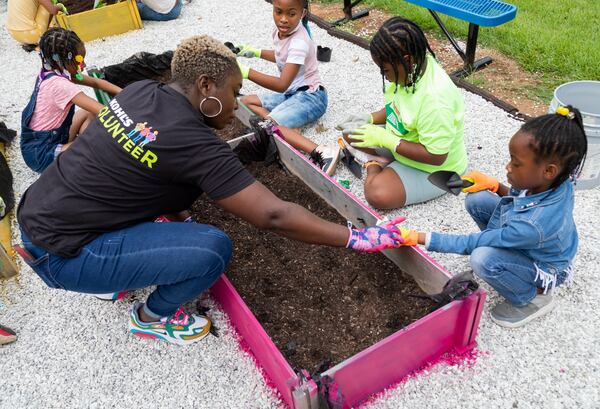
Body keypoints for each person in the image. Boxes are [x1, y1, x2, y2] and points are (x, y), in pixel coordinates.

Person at [16, 35, 406, 346]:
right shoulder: (192, 142)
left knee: (168, 208)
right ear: (205, 85)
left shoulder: (137, 94)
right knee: (210, 249)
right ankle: (151, 318)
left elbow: (164, 165)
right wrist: (358, 236)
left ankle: (112, 271)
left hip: (38, 214)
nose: (237, 102)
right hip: (64, 254)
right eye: (234, 92)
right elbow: (273, 214)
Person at [398, 107, 587, 328]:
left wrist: (418, 237)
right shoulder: (556, 182)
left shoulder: (533, 225)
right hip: (529, 239)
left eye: (516, 163)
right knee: (477, 200)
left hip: (545, 267)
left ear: (548, 171)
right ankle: (506, 253)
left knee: (482, 258)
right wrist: (496, 186)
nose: (508, 166)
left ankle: (531, 297)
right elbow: (519, 201)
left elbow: (473, 243)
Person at [333, 17, 467, 209]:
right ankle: (389, 162)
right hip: (405, 142)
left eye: (385, 69)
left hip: (435, 168)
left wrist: (387, 141)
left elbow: (437, 156)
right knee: (351, 132)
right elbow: (398, 109)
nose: (384, 75)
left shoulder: (436, 99)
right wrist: (370, 118)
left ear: (407, 60)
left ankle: (374, 164)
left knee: (377, 194)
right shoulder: (411, 71)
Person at [235, 0, 339, 173]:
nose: (283, 19)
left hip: (311, 98)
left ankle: (322, 151)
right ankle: (286, 125)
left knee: (267, 128)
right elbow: (283, 56)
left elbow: (281, 84)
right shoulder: (280, 32)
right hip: (293, 94)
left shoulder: (300, 42)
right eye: (278, 12)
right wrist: (256, 52)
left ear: (302, 13)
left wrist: (246, 72)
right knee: (245, 101)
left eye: (291, 14)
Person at [20, 28, 122, 173]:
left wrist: (125, 93)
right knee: (98, 143)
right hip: (42, 154)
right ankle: (82, 151)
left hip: (42, 142)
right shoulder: (60, 85)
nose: (84, 65)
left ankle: (80, 145)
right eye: (80, 60)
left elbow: (96, 83)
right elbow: (104, 112)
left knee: (88, 114)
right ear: (65, 60)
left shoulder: (55, 71)